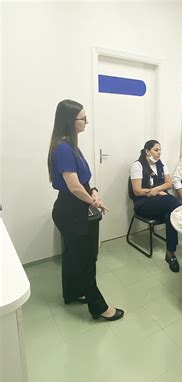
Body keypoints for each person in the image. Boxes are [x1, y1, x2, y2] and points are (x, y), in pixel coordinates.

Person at [48, 99, 124, 321]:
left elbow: (82, 181)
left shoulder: (70, 145)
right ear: (70, 121)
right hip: (70, 211)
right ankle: (99, 308)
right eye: (83, 118)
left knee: (72, 256)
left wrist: (95, 191)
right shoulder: (63, 148)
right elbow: (73, 186)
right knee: (86, 260)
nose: (87, 122)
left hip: (73, 208)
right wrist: (94, 202)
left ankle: (72, 293)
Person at [129, 140, 180, 273]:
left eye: (160, 150)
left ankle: (170, 253)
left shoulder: (162, 164)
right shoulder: (138, 165)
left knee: (171, 214)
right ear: (147, 151)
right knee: (172, 202)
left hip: (160, 202)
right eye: (156, 150)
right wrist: (154, 192)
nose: (159, 153)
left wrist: (155, 190)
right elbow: (137, 191)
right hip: (143, 204)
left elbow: (169, 184)